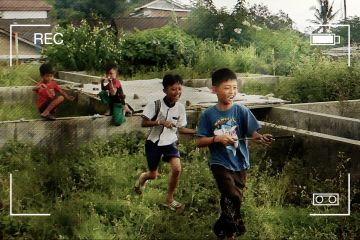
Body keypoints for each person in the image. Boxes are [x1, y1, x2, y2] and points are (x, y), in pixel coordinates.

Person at [196, 68, 273, 239]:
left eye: (235, 87)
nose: (232, 92)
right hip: (220, 162)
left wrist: (261, 138)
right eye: (227, 88)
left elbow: (253, 133)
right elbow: (199, 141)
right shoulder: (208, 114)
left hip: (240, 163)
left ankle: (223, 230)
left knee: (230, 198)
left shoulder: (242, 111)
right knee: (233, 195)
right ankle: (236, 226)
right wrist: (217, 139)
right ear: (214, 89)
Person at [134, 74, 195, 211]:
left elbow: (181, 128)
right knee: (153, 174)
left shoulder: (180, 108)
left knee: (177, 169)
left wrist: (195, 132)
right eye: (173, 89)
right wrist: (160, 122)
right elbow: (144, 122)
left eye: (179, 89)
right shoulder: (155, 104)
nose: (177, 92)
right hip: (153, 143)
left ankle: (169, 199)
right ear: (165, 91)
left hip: (170, 142)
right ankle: (143, 179)